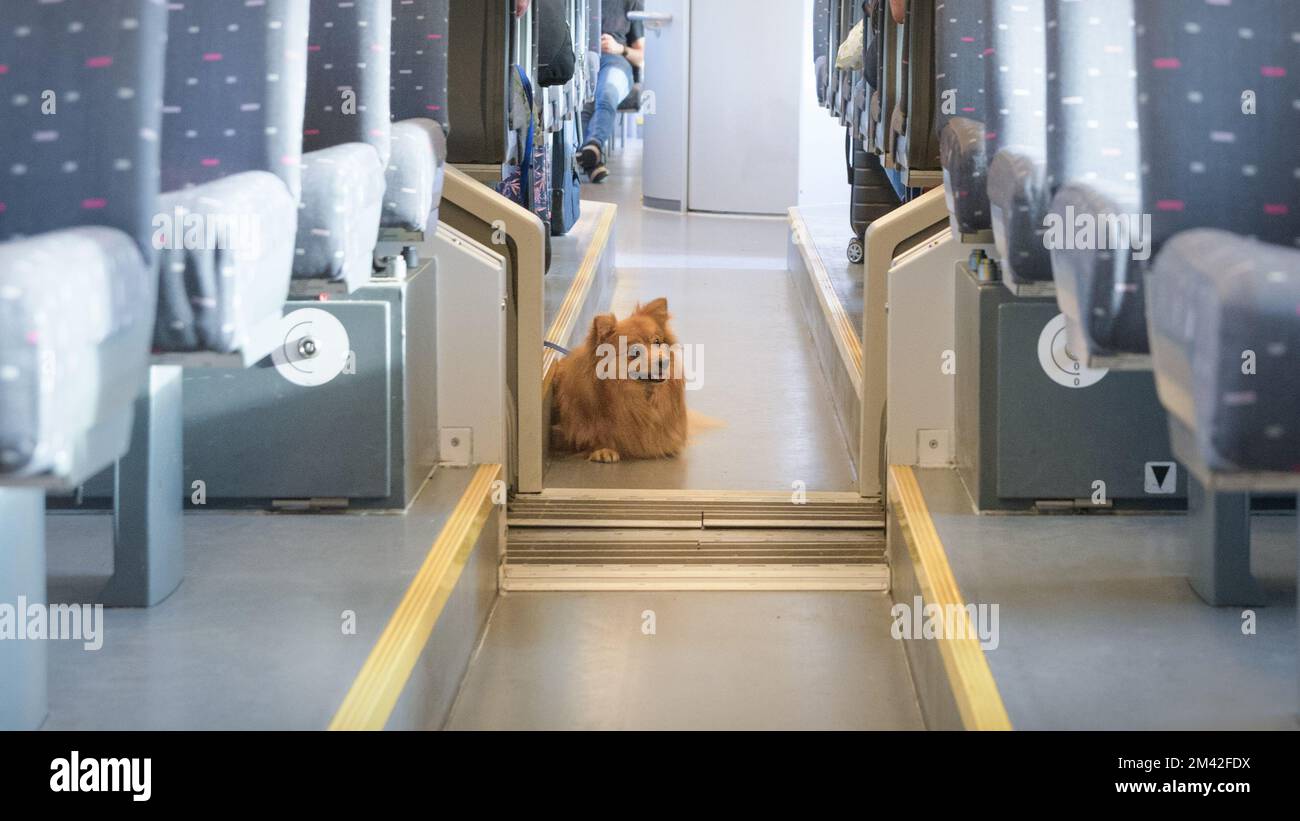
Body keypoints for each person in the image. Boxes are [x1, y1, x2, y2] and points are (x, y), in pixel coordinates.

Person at [579, 0, 646, 183]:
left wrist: (619, 48)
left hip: (615, 60)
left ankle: (594, 145)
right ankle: (592, 162)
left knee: (607, 93)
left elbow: (641, 57)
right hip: (583, 61)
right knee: (586, 104)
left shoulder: (631, 2)